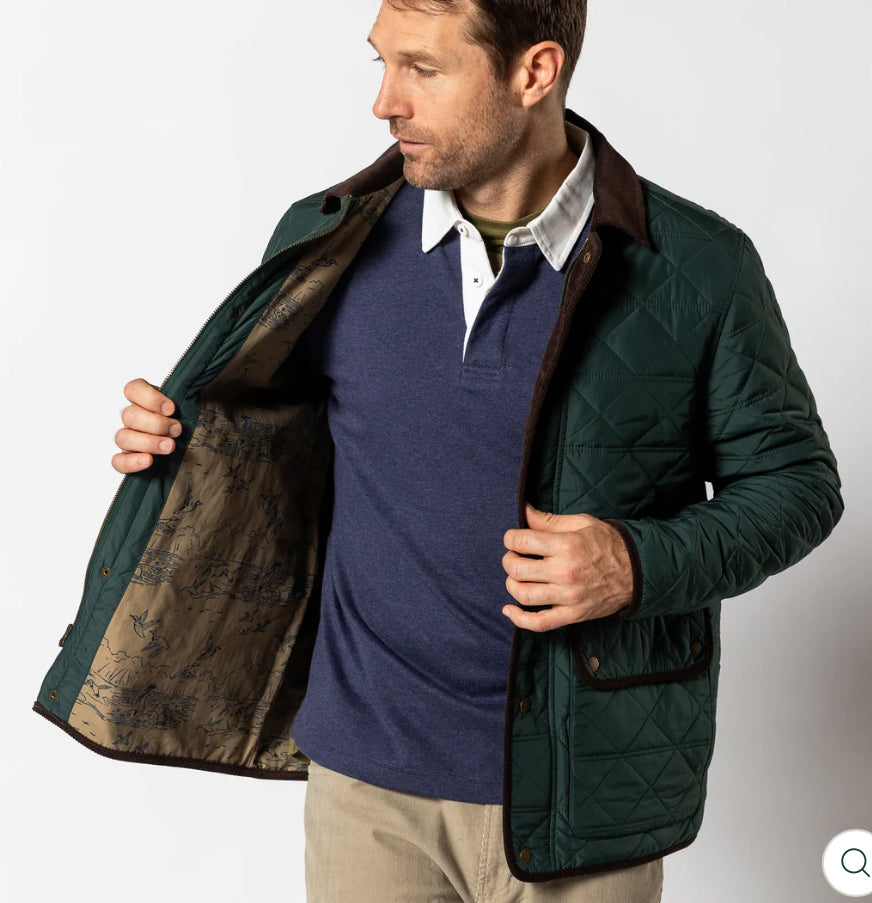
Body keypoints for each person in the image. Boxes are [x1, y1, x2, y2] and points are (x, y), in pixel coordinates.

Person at [34, 1, 843, 901]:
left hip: (584, 794)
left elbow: (798, 484)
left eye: (422, 69)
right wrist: (180, 440)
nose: (385, 101)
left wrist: (636, 561)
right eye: (381, 63)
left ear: (534, 72)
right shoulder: (328, 238)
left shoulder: (696, 267)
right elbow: (271, 439)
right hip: (366, 788)